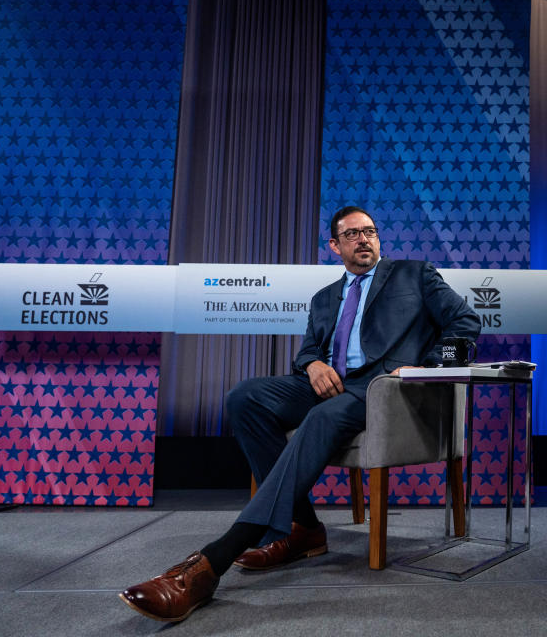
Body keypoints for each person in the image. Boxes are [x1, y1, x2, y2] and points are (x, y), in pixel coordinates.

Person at [119, 206, 480, 622]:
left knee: (323, 417)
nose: (364, 240)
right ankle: (304, 527)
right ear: (334, 245)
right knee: (245, 398)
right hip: (328, 383)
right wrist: (312, 365)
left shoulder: (413, 275)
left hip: (383, 389)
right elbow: (308, 350)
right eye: (353, 235)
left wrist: (425, 366)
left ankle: (214, 560)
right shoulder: (324, 298)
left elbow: (465, 321)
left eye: (370, 232)